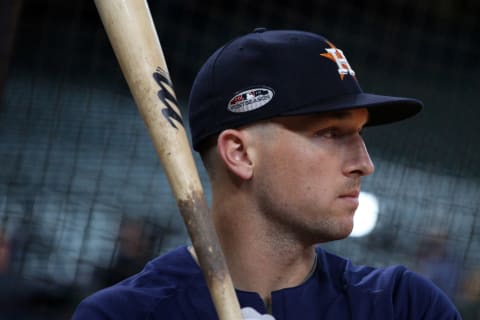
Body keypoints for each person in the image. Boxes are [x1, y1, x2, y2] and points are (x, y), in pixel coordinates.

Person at [72, 28, 462, 319]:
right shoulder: (125, 315)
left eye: (358, 134)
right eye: (331, 133)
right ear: (239, 154)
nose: (365, 163)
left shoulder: (402, 306)